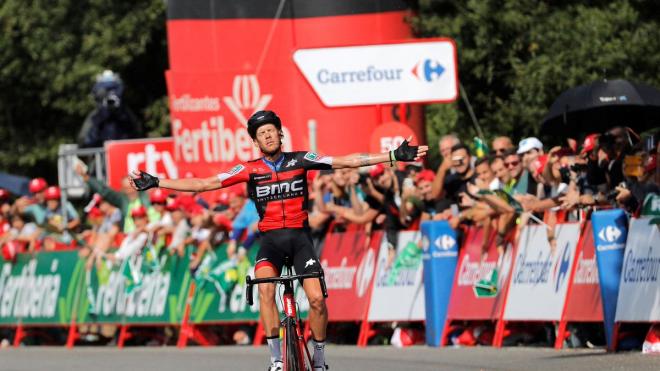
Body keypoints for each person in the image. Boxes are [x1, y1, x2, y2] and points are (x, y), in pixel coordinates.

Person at [129, 110, 427, 371]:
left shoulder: (301, 159)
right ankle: (276, 360)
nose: (268, 136)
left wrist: (391, 156)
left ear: (280, 135)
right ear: (256, 142)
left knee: (317, 302)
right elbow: (203, 184)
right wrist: (157, 181)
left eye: (272, 131)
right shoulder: (248, 169)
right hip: (270, 243)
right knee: (265, 292)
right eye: (262, 134)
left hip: (300, 240)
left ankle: (320, 359)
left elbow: (344, 162)